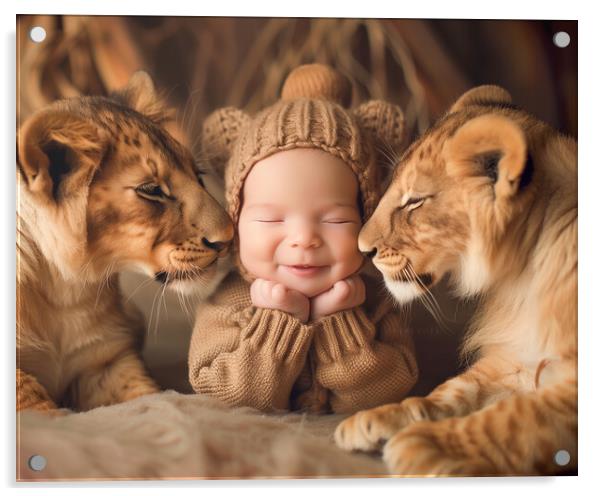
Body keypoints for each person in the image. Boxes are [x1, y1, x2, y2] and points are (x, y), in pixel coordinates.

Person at [188, 64, 418, 414]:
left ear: (367, 218)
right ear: (235, 222)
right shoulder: (225, 304)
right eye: (271, 218)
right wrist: (278, 322)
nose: (304, 239)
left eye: (335, 219)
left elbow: (387, 395)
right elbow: (224, 397)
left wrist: (339, 321)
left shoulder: (377, 304)